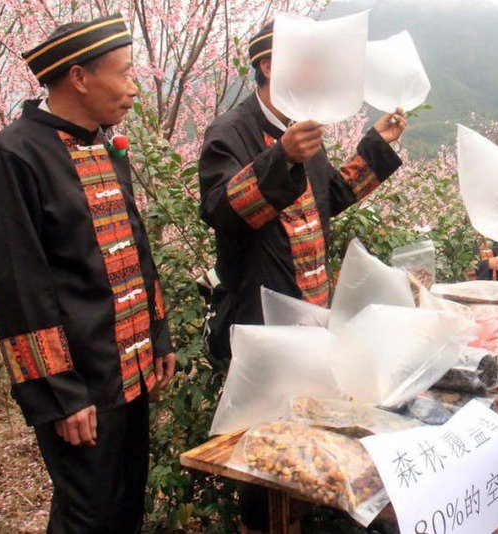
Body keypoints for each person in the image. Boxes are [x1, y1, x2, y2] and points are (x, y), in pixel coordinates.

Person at [197, 22, 405, 532]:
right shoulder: (230, 132)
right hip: (261, 323)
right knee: (264, 457)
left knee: (306, 446)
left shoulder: (300, 126)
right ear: (269, 66)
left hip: (311, 317)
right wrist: (281, 157)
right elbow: (222, 210)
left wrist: (375, 146)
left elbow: (326, 198)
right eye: (306, 62)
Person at [0, 15, 176, 532]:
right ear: (80, 78)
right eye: (125, 73)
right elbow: (19, 289)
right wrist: (60, 393)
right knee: (89, 516)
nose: (134, 88)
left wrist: (157, 333)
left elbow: (136, 248)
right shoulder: (12, 158)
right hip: (80, 382)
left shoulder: (104, 145)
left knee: (125, 507)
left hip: (129, 369)